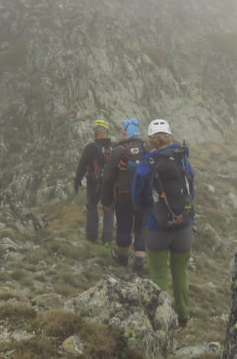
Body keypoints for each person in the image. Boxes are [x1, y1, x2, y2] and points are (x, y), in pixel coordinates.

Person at [133, 118, 195, 328]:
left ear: (150, 140)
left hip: (157, 227)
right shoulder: (182, 159)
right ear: (170, 137)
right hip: (184, 228)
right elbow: (191, 189)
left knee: (158, 274)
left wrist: (150, 209)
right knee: (180, 271)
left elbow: (137, 198)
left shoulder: (146, 165)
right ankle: (184, 316)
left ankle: (163, 320)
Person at [101, 117, 148, 271]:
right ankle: (139, 262)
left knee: (124, 227)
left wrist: (106, 201)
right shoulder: (146, 148)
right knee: (141, 227)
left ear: (124, 132)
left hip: (123, 196)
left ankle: (122, 260)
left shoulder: (118, 150)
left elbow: (108, 178)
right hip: (143, 197)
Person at [74, 118, 115, 244]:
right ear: (107, 131)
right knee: (108, 208)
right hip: (110, 184)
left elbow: (82, 166)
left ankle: (92, 237)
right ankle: (107, 240)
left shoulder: (91, 148)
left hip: (94, 184)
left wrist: (77, 180)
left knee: (92, 206)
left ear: (95, 132)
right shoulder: (115, 147)